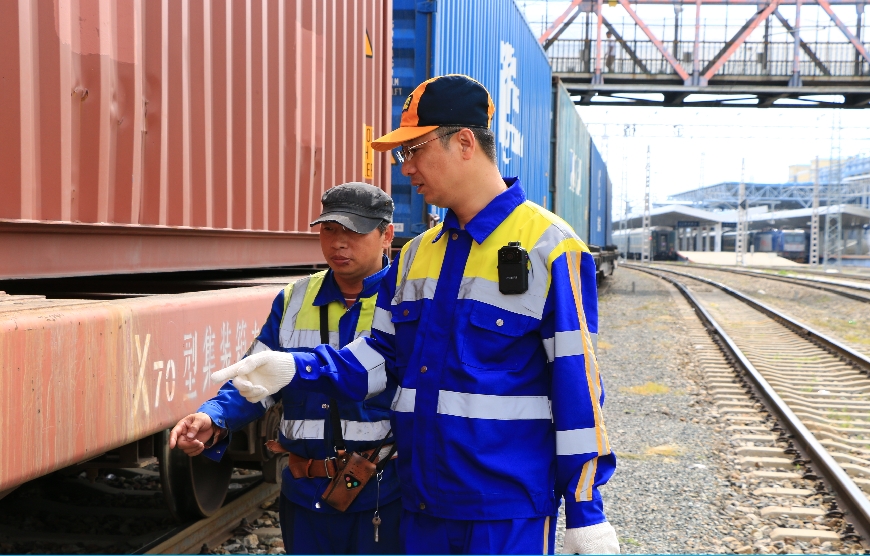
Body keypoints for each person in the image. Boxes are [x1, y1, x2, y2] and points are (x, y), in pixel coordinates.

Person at [212, 75, 619, 555]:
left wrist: (585, 511)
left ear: (464, 143)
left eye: (414, 151)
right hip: (421, 508)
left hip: (505, 514)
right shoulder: (415, 256)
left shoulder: (551, 247)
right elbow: (381, 359)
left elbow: (577, 389)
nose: (405, 169)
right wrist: (293, 368)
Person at [170, 182, 402, 554]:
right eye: (329, 230)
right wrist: (213, 417)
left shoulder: (405, 299)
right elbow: (259, 378)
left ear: (386, 235)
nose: (338, 243)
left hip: (382, 492)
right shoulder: (294, 299)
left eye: (354, 232)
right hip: (305, 495)